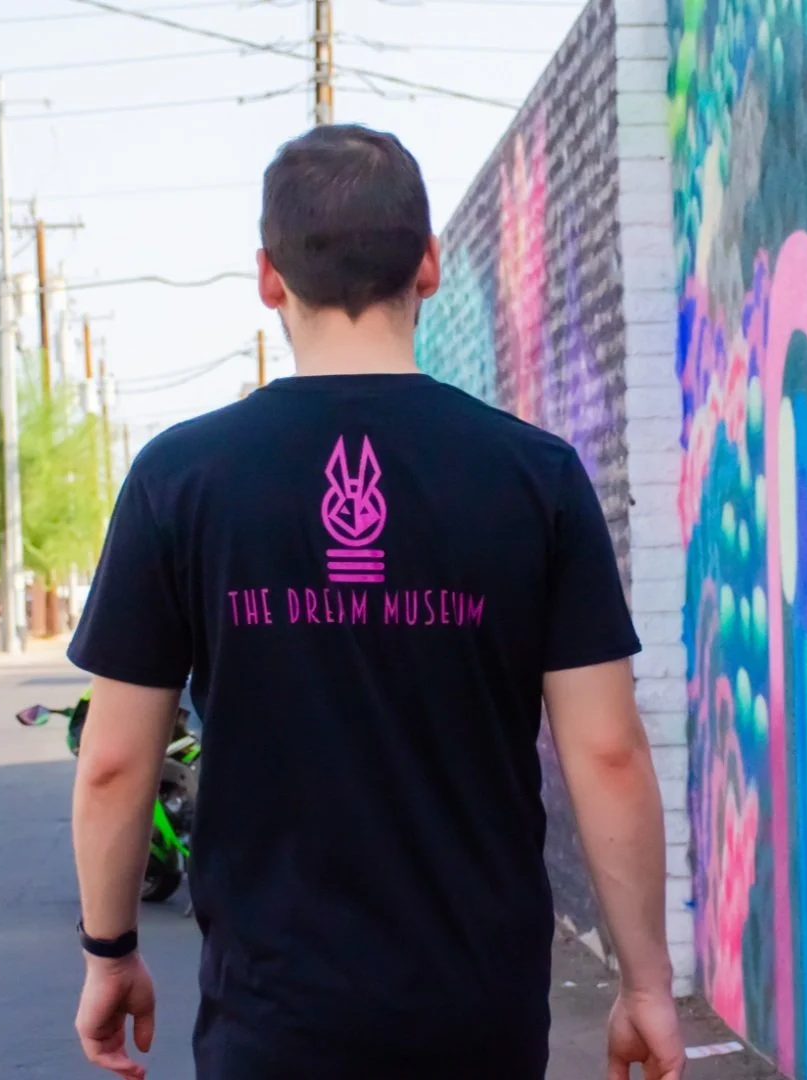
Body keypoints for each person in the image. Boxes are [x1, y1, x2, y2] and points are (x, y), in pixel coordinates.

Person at [66, 123, 684, 1080]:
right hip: (476, 1015)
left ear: (269, 277)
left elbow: (113, 761)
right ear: (427, 265)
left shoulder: (178, 480)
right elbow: (605, 750)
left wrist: (110, 953)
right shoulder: (537, 479)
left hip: (271, 1018)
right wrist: (644, 985)